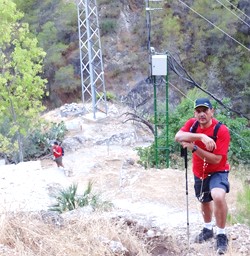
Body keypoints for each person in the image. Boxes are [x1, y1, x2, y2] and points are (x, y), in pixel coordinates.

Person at [175, 98, 230, 255]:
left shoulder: (221, 130)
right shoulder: (192, 124)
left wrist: (194, 147)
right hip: (200, 171)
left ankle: (221, 234)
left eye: (205, 110)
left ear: (212, 111)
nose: (202, 114)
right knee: (204, 200)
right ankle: (208, 229)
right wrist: (200, 137)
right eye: (198, 111)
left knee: (218, 195)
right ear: (195, 113)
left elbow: (216, 159)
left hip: (218, 170)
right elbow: (178, 137)